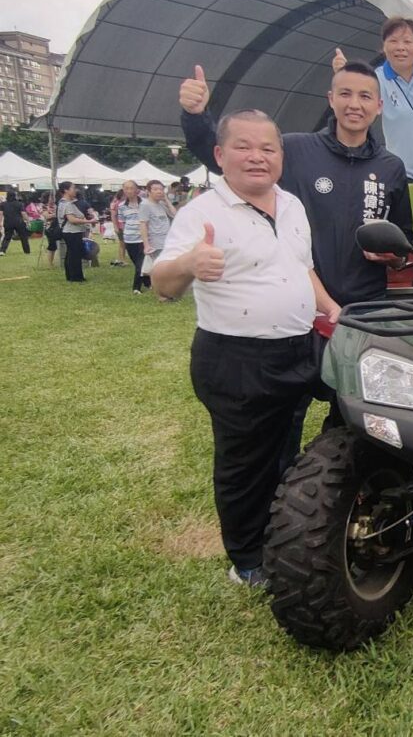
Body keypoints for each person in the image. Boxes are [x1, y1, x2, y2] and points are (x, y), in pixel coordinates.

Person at [153, 109, 342, 588]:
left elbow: (302, 268)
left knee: (286, 448)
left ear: (281, 155)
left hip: (297, 348)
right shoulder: (202, 213)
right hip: (236, 358)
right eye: (244, 147)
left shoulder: (292, 205)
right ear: (220, 155)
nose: (257, 156)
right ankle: (248, 561)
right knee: (244, 463)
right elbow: (161, 284)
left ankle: (285, 534)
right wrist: (192, 263)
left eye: (268, 148)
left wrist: (331, 308)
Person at [180, 60, 413, 308]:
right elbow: (229, 163)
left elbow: (402, 240)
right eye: (345, 94)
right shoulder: (294, 149)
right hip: (297, 302)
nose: (354, 104)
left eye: (365, 96)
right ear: (331, 99)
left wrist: (394, 258)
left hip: (368, 306)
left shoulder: (391, 167)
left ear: (379, 106)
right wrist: (196, 117)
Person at [332, 17, 413, 183]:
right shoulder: (376, 79)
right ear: (384, 47)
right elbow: (358, 110)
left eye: (407, 41)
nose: (401, 47)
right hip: (405, 175)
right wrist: (343, 75)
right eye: (393, 41)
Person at [139, 180, 176, 294]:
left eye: (161, 189)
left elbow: (175, 214)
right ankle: (161, 292)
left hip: (166, 240)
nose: (159, 192)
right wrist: (146, 244)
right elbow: (143, 224)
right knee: (158, 269)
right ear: (148, 191)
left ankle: (165, 290)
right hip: (155, 241)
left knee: (166, 267)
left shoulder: (161, 204)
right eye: (155, 189)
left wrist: (166, 200)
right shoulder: (145, 205)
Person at [116, 179, 147, 293]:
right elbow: (123, 222)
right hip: (129, 238)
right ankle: (147, 282)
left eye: (131, 188)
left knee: (141, 263)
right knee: (137, 264)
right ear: (123, 190)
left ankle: (136, 288)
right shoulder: (121, 206)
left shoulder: (145, 203)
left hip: (143, 238)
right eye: (126, 188)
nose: (129, 191)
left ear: (137, 190)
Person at [56, 182, 89, 282]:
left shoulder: (62, 203)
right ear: (66, 190)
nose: (75, 190)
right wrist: (88, 221)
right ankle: (76, 277)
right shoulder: (67, 204)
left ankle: (71, 276)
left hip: (69, 231)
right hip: (72, 231)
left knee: (70, 254)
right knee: (75, 254)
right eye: (73, 188)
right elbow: (72, 219)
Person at [1, 191, 30, 256]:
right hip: (19, 222)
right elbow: (23, 213)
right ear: (15, 196)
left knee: (7, 237)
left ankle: (2, 251)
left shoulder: (3, 204)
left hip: (8, 222)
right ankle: (27, 251)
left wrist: (0, 222)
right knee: (23, 237)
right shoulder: (20, 204)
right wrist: (28, 220)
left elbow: (0, 214)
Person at [41, 192, 58, 267]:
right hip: (49, 228)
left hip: (58, 226)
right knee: (52, 246)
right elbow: (47, 216)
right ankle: (50, 263)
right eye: (51, 197)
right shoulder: (44, 206)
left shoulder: (57, 206)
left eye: (54, 197)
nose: (53, 199)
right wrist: (57, 214)